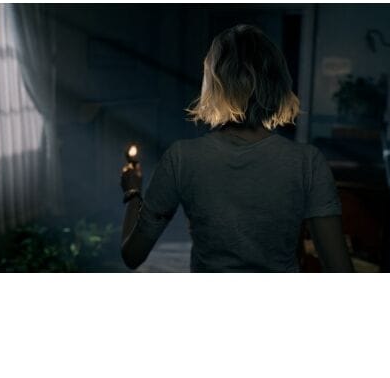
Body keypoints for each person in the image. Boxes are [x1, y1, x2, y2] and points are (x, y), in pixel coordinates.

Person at [120, 24, 354, 272]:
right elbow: (340, 270)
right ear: (277, 82)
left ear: (214, 83)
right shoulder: (307, 162)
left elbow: (132, 255)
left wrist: (132, 192)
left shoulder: (181, 158)